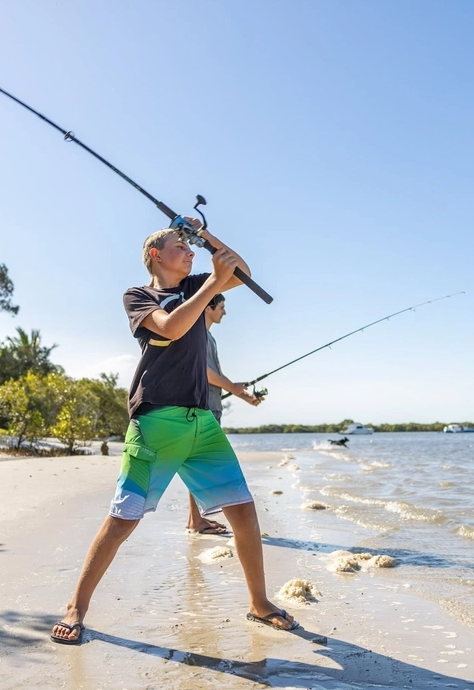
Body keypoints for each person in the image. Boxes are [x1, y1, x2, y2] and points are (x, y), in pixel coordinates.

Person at [50, 220, 298, 645]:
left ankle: (259, 603)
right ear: (155, 255)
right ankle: (76, 607)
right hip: (156, 421)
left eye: (190, 247)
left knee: (243, 511)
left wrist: (205, 236)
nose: (190, 253)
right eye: (180, 246)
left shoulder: (200, 282)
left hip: (202, 421)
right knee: (122, 519)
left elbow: (242, 271)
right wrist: (211, 286)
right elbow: (171, 327)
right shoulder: (140, 296)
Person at [187, 293, 263, 535]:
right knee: (202, 465)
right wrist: (232, 388)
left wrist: (246, 397)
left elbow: (217, 376)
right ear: (208, 307)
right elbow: (203, 371)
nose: (224, 312)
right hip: (204, 407)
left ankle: (195, 519)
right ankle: (197, 520)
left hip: (211, 406)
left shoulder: (209, 337)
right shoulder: (197, 334)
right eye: (221, 307)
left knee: (197, 463)